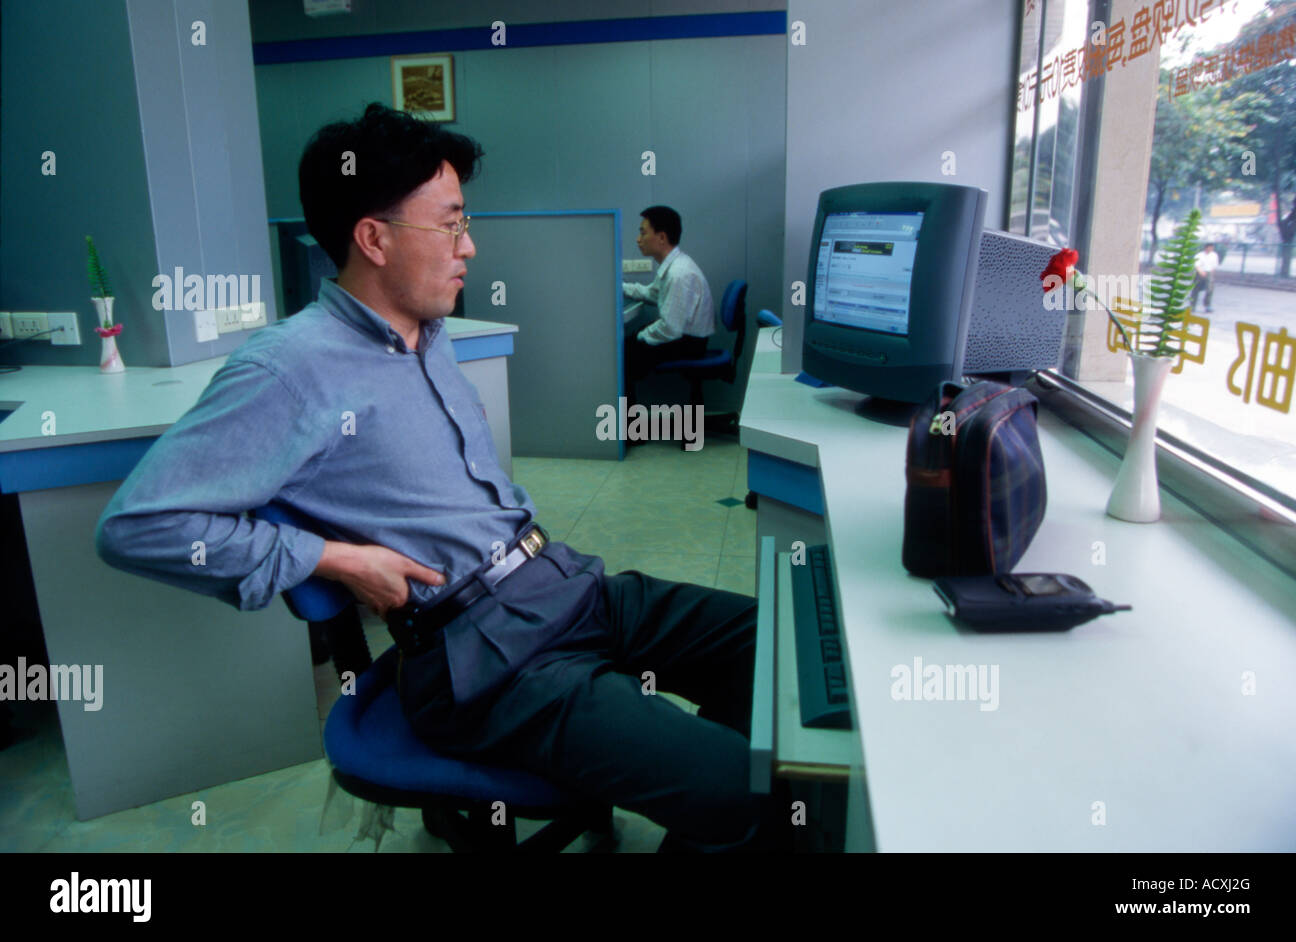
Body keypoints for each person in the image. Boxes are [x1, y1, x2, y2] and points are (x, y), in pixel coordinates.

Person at [95, 104, 791, 853]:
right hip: (483, 657)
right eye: (452, 224)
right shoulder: (288, 369)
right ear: (374, 238)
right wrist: (329, 560)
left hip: (566, 586)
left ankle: (688, 794)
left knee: (776, 652)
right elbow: (137, 524)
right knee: (753, 798)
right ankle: (714, 801)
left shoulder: (431, 334)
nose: (472, 246)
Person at [622, 206, 715, 405]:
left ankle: (631, 432)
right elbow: (651, 293)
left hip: (689, 343)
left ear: (662, 237)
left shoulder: (678, 274)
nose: (638, 239)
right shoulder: (674, 265)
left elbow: (670, 329)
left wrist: (641, 336)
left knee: (622, 358)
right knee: (626, 347)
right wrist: (620, 287)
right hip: (686, 337)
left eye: (643, 232)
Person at [1191, 243, 1219, 313]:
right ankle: (1192, 306)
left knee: (1210, 289)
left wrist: (1212, 275)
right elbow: (1196, 265)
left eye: (1212, 248)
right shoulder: (1199, 255)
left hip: (1209, 273)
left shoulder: (1214, 255)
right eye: (1209, 248)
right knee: (1196, 290)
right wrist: (1201, 272)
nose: (1211, 249)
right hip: (1200, 273)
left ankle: (1207, 305)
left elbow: (1214, 266)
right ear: (1206, 248)